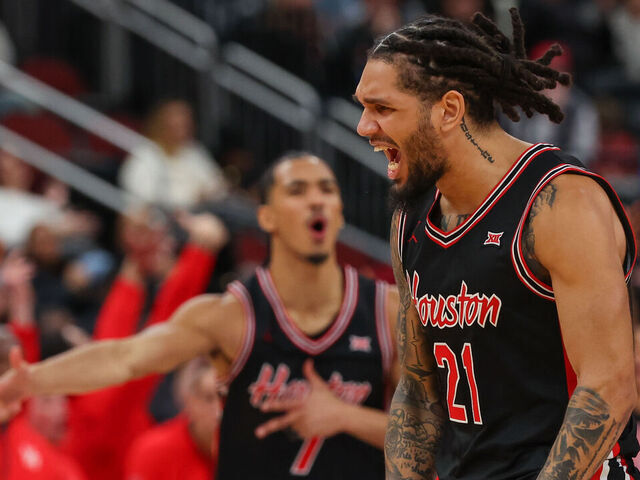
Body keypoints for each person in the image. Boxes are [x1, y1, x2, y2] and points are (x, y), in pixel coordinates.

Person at [353, 8, 639, 480]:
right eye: (363, 107)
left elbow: (608, 386)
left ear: (448, 110)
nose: (364, 127)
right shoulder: (411, 220)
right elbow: (420, 391)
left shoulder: (558, 201)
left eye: (382, 109)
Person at [0, 152, 399, 479]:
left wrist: (345, 416)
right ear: (267, 217)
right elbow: (123, 358)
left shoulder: (391, 311)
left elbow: (439, 439)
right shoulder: (227, 317)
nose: (316, 200)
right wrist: (31, 380)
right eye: (297, 190)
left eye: (327, 190)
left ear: (340, 212)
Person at [124, 357, 222, 480]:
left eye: (225, 398)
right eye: (208, 398)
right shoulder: (154, 451)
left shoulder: (247, 446)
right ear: (188, 401)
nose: (219, 410)